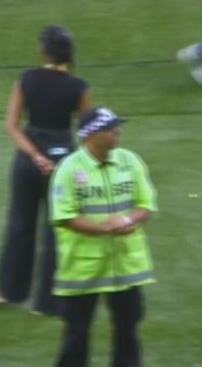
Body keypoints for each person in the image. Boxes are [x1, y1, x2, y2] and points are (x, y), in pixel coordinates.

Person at [50, 107, 157, 367]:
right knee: (76, 337)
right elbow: (63, 215)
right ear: (91, 134)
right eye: (110, 128)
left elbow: (146, 204)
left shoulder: (130, 161)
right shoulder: (69, 169)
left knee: (128, 333)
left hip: (125, 268)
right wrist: (104, 228)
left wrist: (128, 219)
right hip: (84, 269)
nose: (117, 131)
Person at [0, 24, 91, 316]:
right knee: (58, 230)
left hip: (28, 161)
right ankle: (49, 302)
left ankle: (9, 292)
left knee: (20, 224)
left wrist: (36, 155)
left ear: (43, 50)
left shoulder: (26, 79)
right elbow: (88, 131)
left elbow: (12, 125)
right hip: (63, 162)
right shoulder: (80, 87)